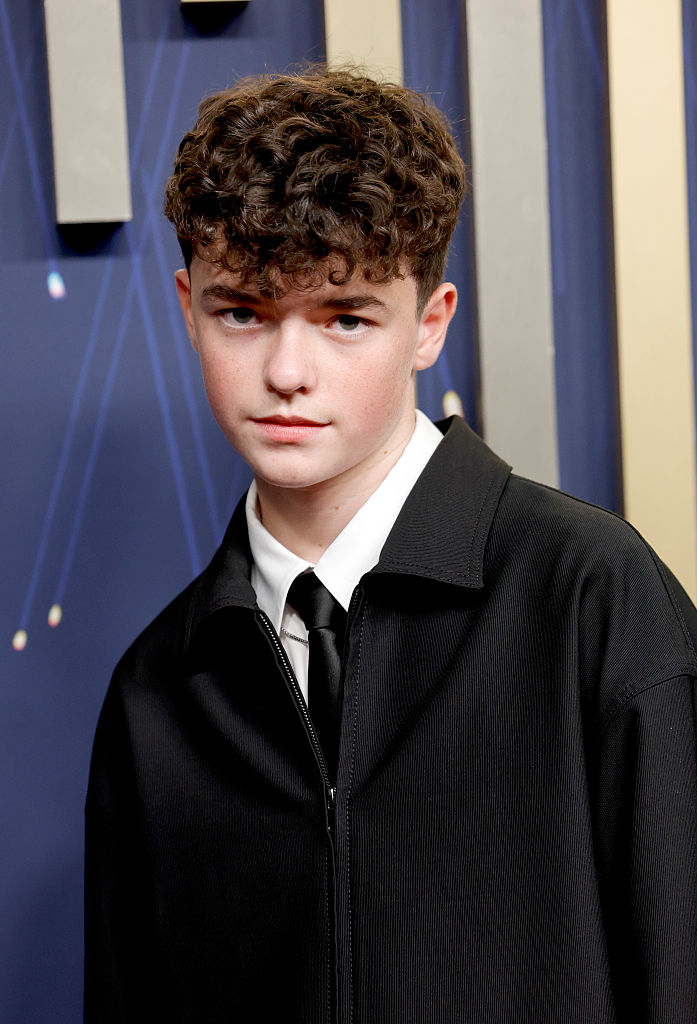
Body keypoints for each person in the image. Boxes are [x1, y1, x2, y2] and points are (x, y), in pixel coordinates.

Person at [84, 68, 697, 1023]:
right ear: (187, 307)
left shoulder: (589, 597)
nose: (287, 372)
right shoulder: (154, 692)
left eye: (344, 318)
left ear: (428, 324)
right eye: (242, 311)